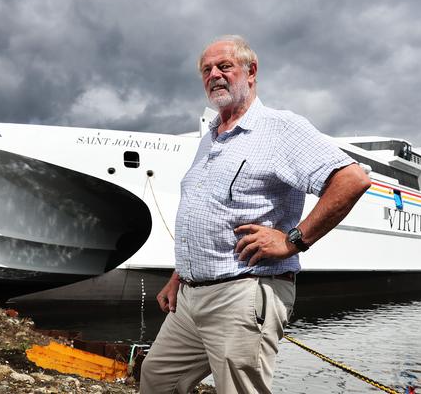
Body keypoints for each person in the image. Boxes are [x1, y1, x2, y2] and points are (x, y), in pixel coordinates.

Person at [140, 35, 371, 394]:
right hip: (190, 296)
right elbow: (210, 213)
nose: (214, 74)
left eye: (224, 66)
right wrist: (178, 275)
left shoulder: (280, 128)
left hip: (243, 293)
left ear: (251, 72)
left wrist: (293, 240)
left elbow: (351, 179)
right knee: (157, 377)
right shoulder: (210, 138)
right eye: (206, 70)